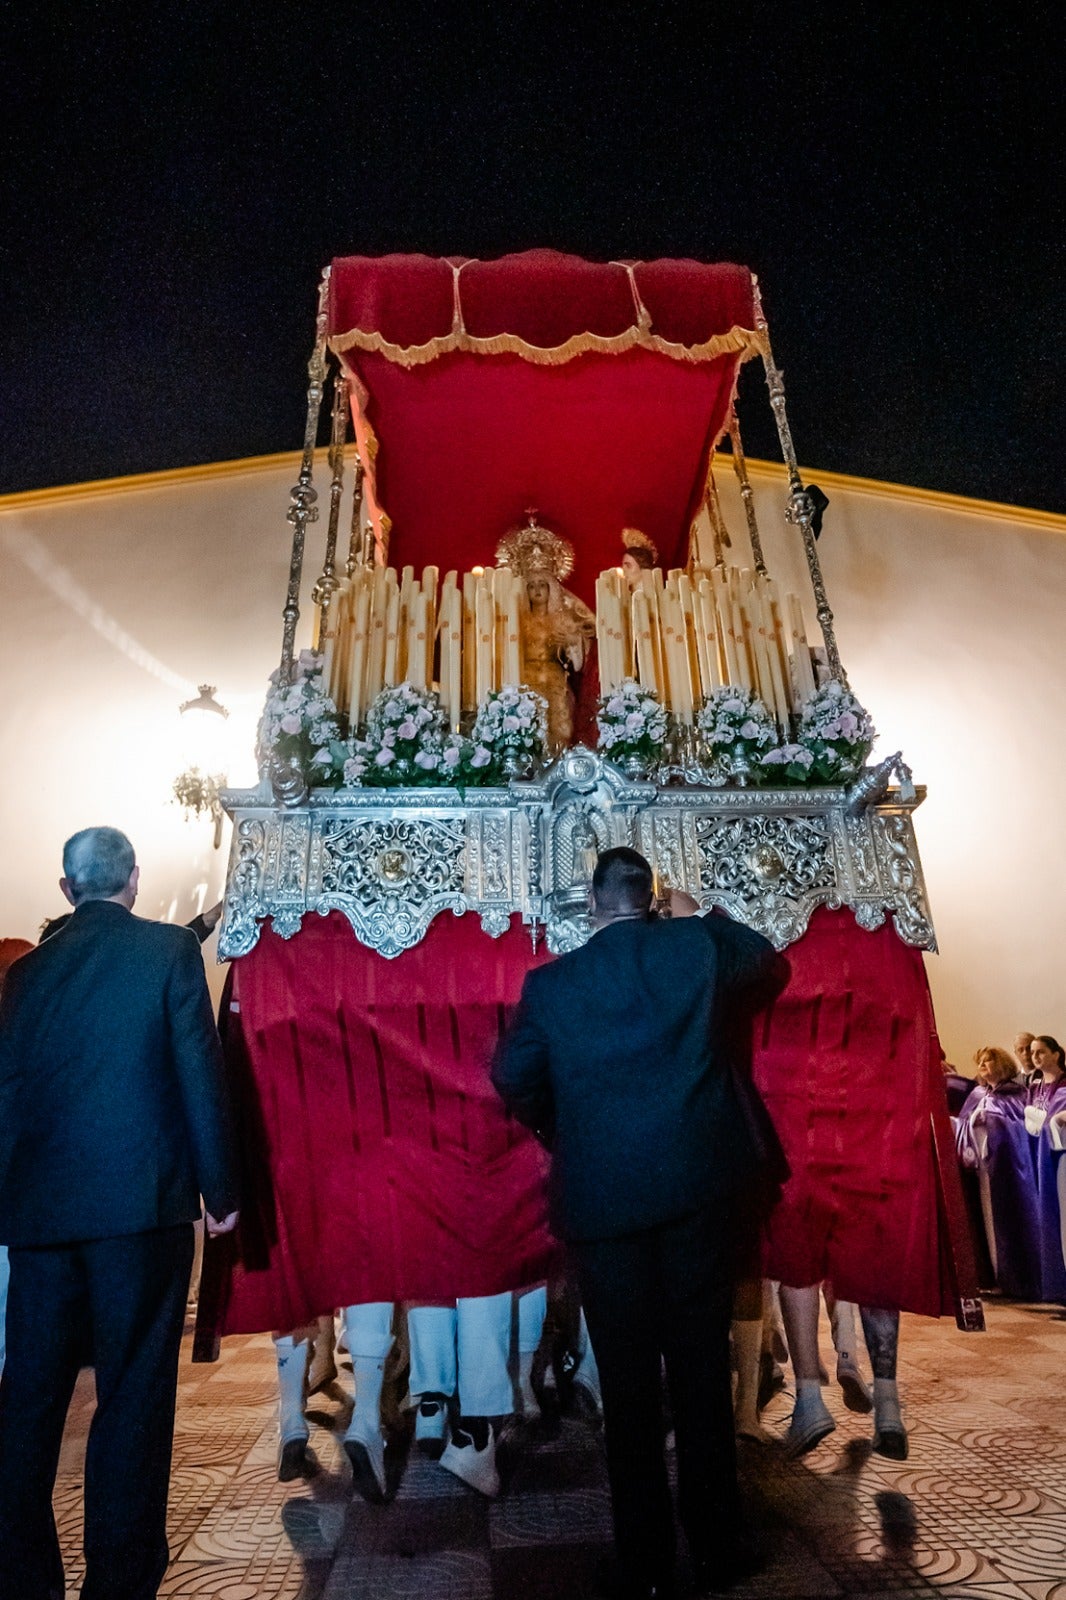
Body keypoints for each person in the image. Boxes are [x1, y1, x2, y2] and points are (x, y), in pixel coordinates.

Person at [492, 847, 783, 1600]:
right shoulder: (695, 949)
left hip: (605, 1200)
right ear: (651, 899)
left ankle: (643, 1560)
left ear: (592, 906)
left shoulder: (552, 984)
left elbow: (512, 1077)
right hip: (698, 1191)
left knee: (625, 1389)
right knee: (699, 1372)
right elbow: (767, 962)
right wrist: (694, 911)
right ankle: (719, 1544)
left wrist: (571, 1129)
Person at [0, 827, 238, 1600]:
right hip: (140, 1212)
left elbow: (7, 1094)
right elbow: (197, 1073)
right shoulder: (168, 952)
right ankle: (120, 1579)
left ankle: (23, 1575)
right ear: (132, 880)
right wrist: (220, 1192)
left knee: (30, 1399)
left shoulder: (26, 974)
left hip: (39, 1221)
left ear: (66, 889)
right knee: (132, 1396)